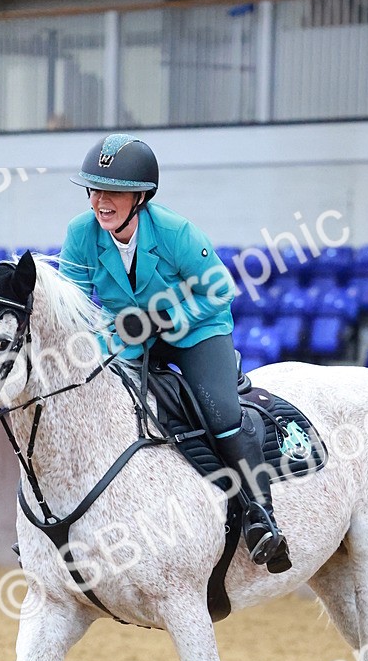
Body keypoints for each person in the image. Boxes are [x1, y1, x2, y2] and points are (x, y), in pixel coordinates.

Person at [59, 133, 290, 573]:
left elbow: (219, 290)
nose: (101, 202)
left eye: (114, 192)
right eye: (95, 190)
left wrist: (165, 318)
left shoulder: (174, 232)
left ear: (140, 197)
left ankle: (262, 516)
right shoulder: (80, 234)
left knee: (222, 414)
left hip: (196, 330)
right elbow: (73, 304)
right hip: (127, 336)